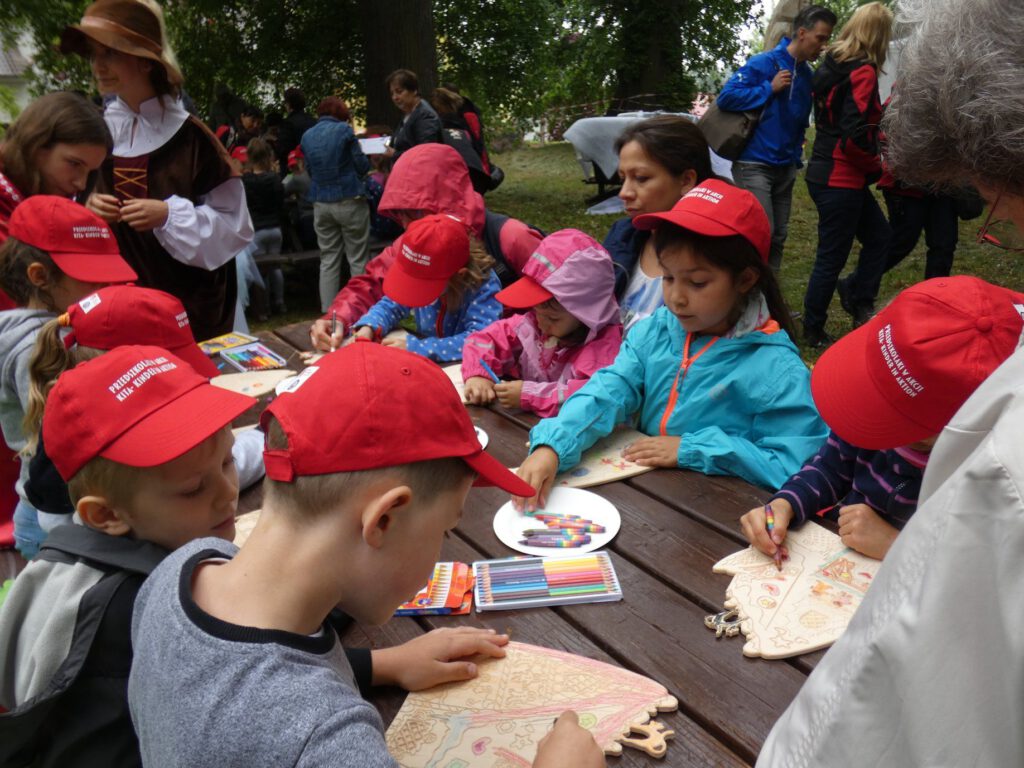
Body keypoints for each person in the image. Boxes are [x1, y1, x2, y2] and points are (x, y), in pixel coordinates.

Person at [126, 342, 606, 768]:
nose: (442, 548)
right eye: (446, 528)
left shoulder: (183, 568)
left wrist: (384, 664)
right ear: (383, 519)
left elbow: (234, 689)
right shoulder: (324, 739)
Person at [757, 1, 1024, 763]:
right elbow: (836, 455)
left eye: (995, 196)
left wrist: (900, 544)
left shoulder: (987, 465)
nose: (992, 214)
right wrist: (787, 500)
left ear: (954, 427)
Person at [0, 345, 256, 767]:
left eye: (228, 461)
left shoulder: (73, 550)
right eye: (194, 489)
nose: (229, 493)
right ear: (106, 514)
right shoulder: (138, 608)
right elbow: (249, 673)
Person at [515, 180, 826, 508]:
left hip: (717, 517)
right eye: (668, 277)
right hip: (651, 504)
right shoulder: (656, 332)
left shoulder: (777, 370)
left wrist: (693, 449)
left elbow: (796, 464)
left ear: (745, 279)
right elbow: (609, 390)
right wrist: (553, 445)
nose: (676, 298)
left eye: (696, 282)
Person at [64, 0, 253, 340]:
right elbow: (63, 204)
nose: (97, 67)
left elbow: (235, 227)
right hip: (117, 302)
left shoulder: (194, 140)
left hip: (190, 308)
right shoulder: (96, 134)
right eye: (94, 55)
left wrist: (169, 215)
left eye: (110, 54)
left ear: (145, 62)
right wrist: (88, 209)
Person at [20, 285, 267, 524]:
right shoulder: (101, 448)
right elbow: (196, 473)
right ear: (129, 371)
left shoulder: (97, 411)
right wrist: (266, 437)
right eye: (173, 365)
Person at [0, 91, 113, 553]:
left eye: (89, 170)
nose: (79, 181)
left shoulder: (30, 198)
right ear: (37, 144)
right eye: (74, 164)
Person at [0, 196, 136, 560]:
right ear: (40, 277)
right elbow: (71, 441)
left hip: (56, 510)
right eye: (94, 280)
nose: (106, 289)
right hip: (59, 521)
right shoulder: (39, 347)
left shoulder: (51, 328)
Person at [309, 143, 543, 351]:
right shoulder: (415, 243)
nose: (406, 226)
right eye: (400, 215)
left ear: (447, 203)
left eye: (414, 214)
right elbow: (374, 285)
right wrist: (337, 318)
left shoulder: (512, 237)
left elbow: (565, 301)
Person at [716, 4, 837, 273]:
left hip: (785, 166)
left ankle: (769, 300)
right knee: (762, 232)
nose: (824, 46)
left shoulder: (806, 74)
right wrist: (767, 88)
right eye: (821, 38)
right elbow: (727, 97)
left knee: (778, 236)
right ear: (802, 33)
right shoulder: (765, 63)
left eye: (827, 39)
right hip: (754, 164)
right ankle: (743, 295)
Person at [800, 2, 894, 347]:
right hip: (841, 176)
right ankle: (813, 328)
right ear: (879, 35)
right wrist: (877, 166)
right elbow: (853, 135)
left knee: (880, 236)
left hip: (825, 171)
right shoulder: (862, 70)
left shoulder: (830, 64)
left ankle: (858, 297)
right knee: (832, 256)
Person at [462, 229, 623, 417]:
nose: (541, 323)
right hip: (527, 428)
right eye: (536, 310)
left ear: (587, 315)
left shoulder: (602, 350)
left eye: (552, 318)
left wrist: (530, 395)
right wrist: (477, 374)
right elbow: (483, 339)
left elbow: (592, 398)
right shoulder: (533, 324)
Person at [603, 116, 715, 333]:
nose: (624, 193)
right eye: (622, 178)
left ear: (686, 181)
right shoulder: (621, 237)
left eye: (641, 178)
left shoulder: (714, 254)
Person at [353, 214, 501, 362]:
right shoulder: (422, 267)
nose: (414, 288)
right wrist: (369, 326)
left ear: (460, 275)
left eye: (423, 285)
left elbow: (480, 340)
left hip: (468, 371)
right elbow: (392, 304)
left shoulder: (484, 286)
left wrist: (419, 348)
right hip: (428, 362)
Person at [300, 96, 371, 312]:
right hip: (349, 198)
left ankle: (328, 312)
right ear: (340, 113)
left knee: (328, 259)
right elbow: (361, 165)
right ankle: (360, 308)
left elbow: (309, 170)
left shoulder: (307, 136)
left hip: (321, 203)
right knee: (357, 258)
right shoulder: (345, 131)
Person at [240, 137, 286, 318]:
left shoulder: (246, 182)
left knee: (260, 271)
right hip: (275, 229)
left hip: (257, 230)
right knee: (275, 267)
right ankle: (280, 302)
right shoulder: (275, 179)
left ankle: (263, 308)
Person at [385, 68, 443, 159]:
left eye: (399, 91)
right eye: (392, 93)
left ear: (414, 90)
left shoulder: (425, 115)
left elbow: (426, 153)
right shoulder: (408, 114)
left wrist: (394, 154)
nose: (394, 97)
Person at [274, 87, 316, 176]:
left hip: (294, 170)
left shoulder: (288, 124)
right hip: (313, 168)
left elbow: (283, 150)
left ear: (289, 104)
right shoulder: (313, 121)